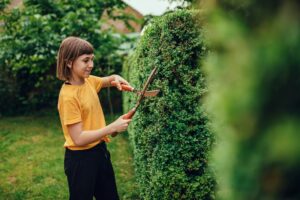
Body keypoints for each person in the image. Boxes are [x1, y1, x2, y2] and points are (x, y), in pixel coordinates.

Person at [56, 36, 131, 200]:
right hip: (81, 160)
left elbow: (108, 80)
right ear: (69, 62)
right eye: (85, 60)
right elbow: (78, 139)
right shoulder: (68, 97)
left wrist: (116, 77)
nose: (91, 65)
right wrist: (112, 127)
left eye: (92, 59)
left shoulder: (88, 81)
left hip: (100, 152)